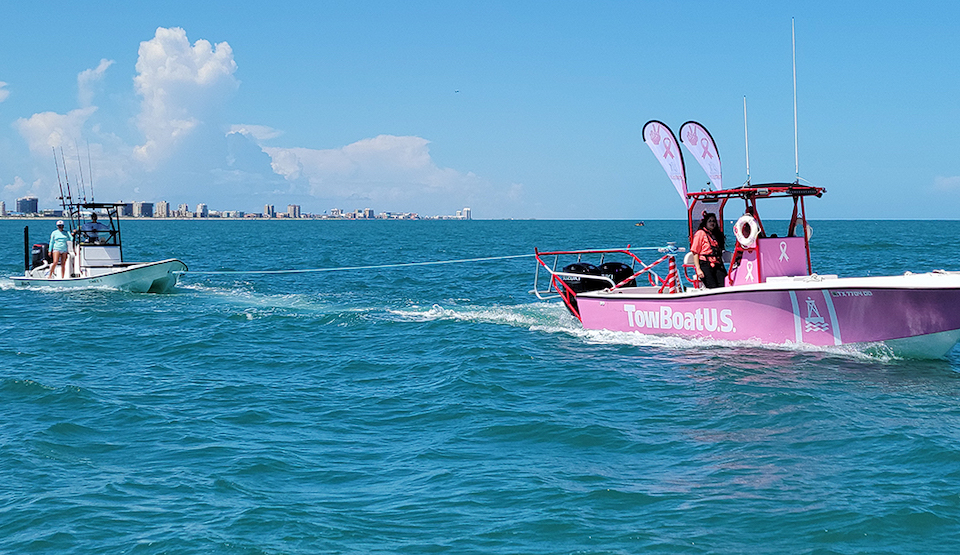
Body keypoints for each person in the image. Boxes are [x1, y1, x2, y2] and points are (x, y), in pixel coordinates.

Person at [691, 212, 727, 289]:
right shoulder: (700, 233)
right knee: (712, 286)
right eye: (710, 221)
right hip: (705, 263)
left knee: (724, 284)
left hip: (717, 263)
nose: (712, 223)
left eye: (714, 221)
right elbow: (695, 252)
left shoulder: (715, 235)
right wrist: (698, 269)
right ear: (705, 223)